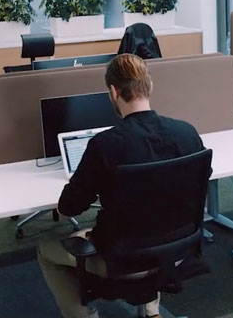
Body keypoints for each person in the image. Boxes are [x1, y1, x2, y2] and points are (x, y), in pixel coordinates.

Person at [38, 53, 205, 318]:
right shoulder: (188, 133)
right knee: (154, 217)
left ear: (114, 92)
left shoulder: (106, 145)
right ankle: (152, 313)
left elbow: (69, 208)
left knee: (46, 252)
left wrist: (86, 177)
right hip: (176, 251)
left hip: (121, 260)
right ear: (149, 86)